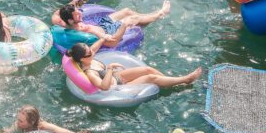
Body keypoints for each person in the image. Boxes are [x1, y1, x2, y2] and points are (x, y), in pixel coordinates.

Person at [66, 41, 201, 91]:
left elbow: (93, 48)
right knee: (151, 77)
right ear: (82, 59)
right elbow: (104, 87)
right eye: (90, 53)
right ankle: (185, 79)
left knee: (147, 69)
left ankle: (169, 82)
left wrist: (103, 39)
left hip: (117, 77)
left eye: (91, 50)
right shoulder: (90, 72)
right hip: (118, 88)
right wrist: (110, 69)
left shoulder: (89, 58)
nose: (93, 52)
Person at [53, 0, 171, 48]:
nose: (79, 12)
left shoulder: (65, 24)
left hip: (101, 25)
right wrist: (123, 26)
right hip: (109, 30)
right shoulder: (85, 30)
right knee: (133, 19)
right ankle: (161, 13)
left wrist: (75, 2)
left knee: (126, 11)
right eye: (76, 13)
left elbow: (55, 15)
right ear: (70, 20)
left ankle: (150, 15)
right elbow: (111, 42)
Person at [0, 105, 74, 133]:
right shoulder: (18, 124)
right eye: (18, 119)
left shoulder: (43, 126)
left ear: (31, 122)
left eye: (21, 121)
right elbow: (7, 132)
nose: (17, 123)